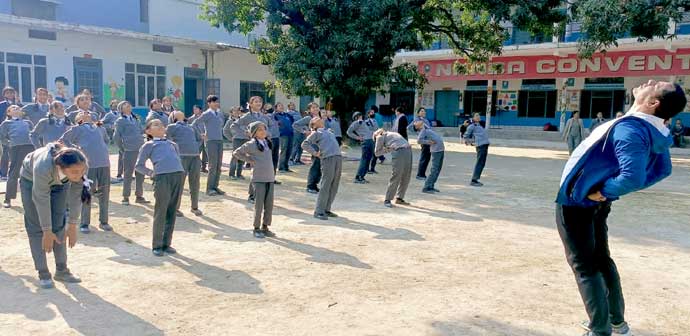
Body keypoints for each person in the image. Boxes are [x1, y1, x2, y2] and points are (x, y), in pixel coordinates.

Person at [556, 80, 686, 336]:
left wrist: (605, 191)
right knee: (601, 260)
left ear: (652, 103)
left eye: (655, 84)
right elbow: (663, 170)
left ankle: (600, 329)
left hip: (578, 202)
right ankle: (616, 322)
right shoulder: (651, 128)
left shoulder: (631, 129)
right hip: (592, 202)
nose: (648, 81)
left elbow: (633, 177)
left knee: (584, 266)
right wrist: (606, 193)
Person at [20, 143, 88, 288]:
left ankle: (62, 270)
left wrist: (73, 225)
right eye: (75, 172)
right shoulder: (43, 167)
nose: (79, 174)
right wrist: (46, 230)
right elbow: (41, 199)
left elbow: (76, 196)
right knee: (36, 226)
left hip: (60, 183)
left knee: (59, 223)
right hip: (31, 180)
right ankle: (43, 272)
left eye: (82, 171)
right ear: (59, 167)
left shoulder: (79, 167)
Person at [135, 119, 185, 257]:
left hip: (177, 176)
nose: (161, 126)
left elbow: (177, 159)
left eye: (162, 124)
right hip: (162, 178)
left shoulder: (172, 144)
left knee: (172, 211)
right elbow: (138, 165)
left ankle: (166, 243)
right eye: (156, 124)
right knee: (161, 211)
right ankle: (157, 245)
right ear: (148, 131)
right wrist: (151, 173)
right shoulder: (149, 145)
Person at [60, 110, 111, 233]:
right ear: (77, 118)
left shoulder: (100, 128)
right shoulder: (77, 129)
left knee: (105, 193)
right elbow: (63, 140)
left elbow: (106, 141)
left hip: (104, 164)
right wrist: (76, 150)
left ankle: (104, 221)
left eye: (88, 112)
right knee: (87, 194)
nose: (86, 113)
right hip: (88, 165)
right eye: (82, 113)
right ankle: (84, 223)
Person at [233, 121, 276, 238]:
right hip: (258, 178)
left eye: (264, 129)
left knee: (269, 204)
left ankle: (265, 226)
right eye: (260, 130)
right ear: (254, 133)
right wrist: (250, 160)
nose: (263, 132)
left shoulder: (267, 142)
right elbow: (237, 153)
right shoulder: (251, 144)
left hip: (269, 177)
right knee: (259, 204)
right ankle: (256, 228)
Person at [301, 117, 342, 220]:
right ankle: (319, 210)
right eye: (316, 119)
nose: (319, 119)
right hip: (327, 158)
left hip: (337, 157)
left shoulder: (329, 132)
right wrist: (315, 153)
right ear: (313, 125)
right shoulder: (316, 133)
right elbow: (304, 144)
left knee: (334, 184)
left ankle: (327, 209)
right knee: (326, 184)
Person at [166, 111, 203, 217]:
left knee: (195, 182)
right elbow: (167, 140)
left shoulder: (191, 127)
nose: (180, 112)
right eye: (175, 112)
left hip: (195, 157)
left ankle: (194, 206)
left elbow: (199, 139)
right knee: (179, 184)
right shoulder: (172, 127)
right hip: (181, 157)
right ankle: (175, 208)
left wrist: (196, 148)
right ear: (173, 117)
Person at [113, 101, 149, 206]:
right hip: (129, 149)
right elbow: (117, 137)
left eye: (129, 104)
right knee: (128, 173)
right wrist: (122, 148)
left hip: (140, 148)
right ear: (121, 109)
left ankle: (139, 195)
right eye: (125, 105)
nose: (128, 105)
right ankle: (126, 197)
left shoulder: (135, 119)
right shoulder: (120, 121)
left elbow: (141, 131)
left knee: (140, 173)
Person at [0, 105, 35, 208]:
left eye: (17, 108)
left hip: (30, 147)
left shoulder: (28, 122)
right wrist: (9, 143)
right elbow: (1, 136)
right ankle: (8, 199)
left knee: (32, 172)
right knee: (14, 172)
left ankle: (33, 198)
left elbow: (34, 134)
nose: (16, 108)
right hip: (16, 148)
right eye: (13, 108)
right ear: (9, 113)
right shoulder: (6, 123)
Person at [192, 95, 226, 196]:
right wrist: (201, 134)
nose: (216, 103)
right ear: (209, 103)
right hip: (211, 141)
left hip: (219, 140)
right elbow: (194, 123)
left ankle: (215, 186)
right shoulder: (207, 114)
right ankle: (209, 188)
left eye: (217, 102)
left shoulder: (219, 113)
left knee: (219, 165)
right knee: (212, 165)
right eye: (214, 102)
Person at [229, 97, 266, 181]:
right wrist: (244, 132)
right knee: (235, 156)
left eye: (260, 101)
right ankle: (231, 174)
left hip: (248, 140)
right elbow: (234, 126)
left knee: (243, 156)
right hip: (239, 138)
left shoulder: (261, 116)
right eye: (256, 102)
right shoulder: (247, 116)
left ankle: (239, 174)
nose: (258, 103)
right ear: (251, 104)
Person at [374, 129, 412, 208]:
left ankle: (399, 198)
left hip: (406, 150)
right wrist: (387, 149)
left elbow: (377, 152)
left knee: (405, 175)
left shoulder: (380, 136)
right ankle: (388, 199)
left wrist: (387, 149)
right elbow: (377, 153)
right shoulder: (381, 136)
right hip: (402, 150)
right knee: (397, 175)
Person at [293, 103, 322, 193]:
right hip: (314, 143)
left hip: (322, 143)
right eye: (313, 108)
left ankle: (315, 184)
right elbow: (295, 125)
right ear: (309, 110)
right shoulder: (309, 118)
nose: (316, 109)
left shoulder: (321, 118)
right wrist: (305, 131)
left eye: (317, 107)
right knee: (316, 163)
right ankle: (310, 185)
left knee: (321, 164)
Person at [414, 121, 444, 194]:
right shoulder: (423, 131)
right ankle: (426, 187)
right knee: (435, 169)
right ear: (417, 127)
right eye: (416, 123)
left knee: (438, 169)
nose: (418, 121)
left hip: (440, 149)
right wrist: (429, 142)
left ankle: (431, 185)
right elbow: (419, 141)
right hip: (436, 150)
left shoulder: (426, 128)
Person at [347, 111, 376, 184]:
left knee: (368, 159)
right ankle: (358, 177)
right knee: (364, 159)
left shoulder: (364, 122)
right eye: (359, 115)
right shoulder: (356, 123)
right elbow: (349, 132)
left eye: (360, 115)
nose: (361, 116)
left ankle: (362, 176)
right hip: (365, 142)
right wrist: (357, 137)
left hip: (370, 140)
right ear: (356, 117)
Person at [0, 86, 23, 180]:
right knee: (5, 152)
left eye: (12, 92)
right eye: (8, 93)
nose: (10, 94)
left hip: (17, 131)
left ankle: (17, 172)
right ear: (4, 94)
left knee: (17, 153)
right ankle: (3, 173)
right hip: (5, 130)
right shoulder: (1, 105)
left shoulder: (18, 105)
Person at [464, 113, 490, 187]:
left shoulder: (479, 125)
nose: (478, 117)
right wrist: (472, 143)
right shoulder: (472, 126)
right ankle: (474, 180)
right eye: (476, 116)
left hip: (484, 145)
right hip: (480, 146)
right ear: (473, 118)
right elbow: (465, 137)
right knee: (479, 163)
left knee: (482, 163)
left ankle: (476, 179)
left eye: (479, 115)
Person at [407, 108, 432, 180]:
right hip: (424, 141)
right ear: (418, 113)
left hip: (429, 140)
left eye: (424, 111)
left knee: (427, 158)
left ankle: (423, 174)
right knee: (424, 158)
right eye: (422, 111)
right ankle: (420, 174)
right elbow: (409, 128)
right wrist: (417, 131)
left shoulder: (426, 120)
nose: (424, 112)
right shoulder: (417, 120)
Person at [275, 102, 295, 172]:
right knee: (283, 150)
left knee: (289, 151)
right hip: (282, 135)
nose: (281, 107)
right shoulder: (275, 116)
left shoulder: (288, 115)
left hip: (290, 134)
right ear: (276, 108)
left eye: (282, 106)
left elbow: (293, 122)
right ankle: (281, 167)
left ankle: (286, 166)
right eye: (279, 106)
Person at [264, 103, 282, 184]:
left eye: (270, 106)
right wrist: (268, 136)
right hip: (270, 139)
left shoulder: (275, 116)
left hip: (276, 138)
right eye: (268, 107)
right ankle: (267, 177)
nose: (270, 108)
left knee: (275, 159)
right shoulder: (265, 117)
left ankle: (272, 177)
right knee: (269, 159)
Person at [366, 108, 385, 172]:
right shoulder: (366, 122)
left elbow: (377, 129)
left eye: (373, 112)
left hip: (376, 138)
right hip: (370, 138)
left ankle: (372, 168)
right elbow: (367, 131)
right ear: (368, 114)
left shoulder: (375, 121)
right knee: (369, 154)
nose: (373, 113)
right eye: (371, 112)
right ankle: (367, 169)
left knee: (375, 154)